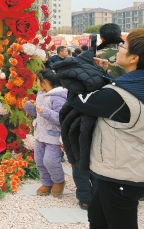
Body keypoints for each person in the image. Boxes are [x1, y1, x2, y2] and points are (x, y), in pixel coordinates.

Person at [64, 29, 144, 227]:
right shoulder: (135, 86)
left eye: (123, 46)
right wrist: (104, 74)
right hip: (127, 168)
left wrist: (82, 72)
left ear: (134, 57)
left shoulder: (119, 97)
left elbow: (77, 99)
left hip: (121, 174)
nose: (119, 48)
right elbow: (114, 95)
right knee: (97, 216)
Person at [22, 69, 67, 197]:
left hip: (53, 136)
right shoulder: (41, 94)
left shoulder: (58, 97)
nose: (36, 84)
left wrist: (45, 112)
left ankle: (58, 181)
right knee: (39, 160)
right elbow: (38, 113)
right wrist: (28, 107)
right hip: (40, 134)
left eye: (37, 81)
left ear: (44, 82)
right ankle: (46, 182)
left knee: (50, 160)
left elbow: (61, 118)